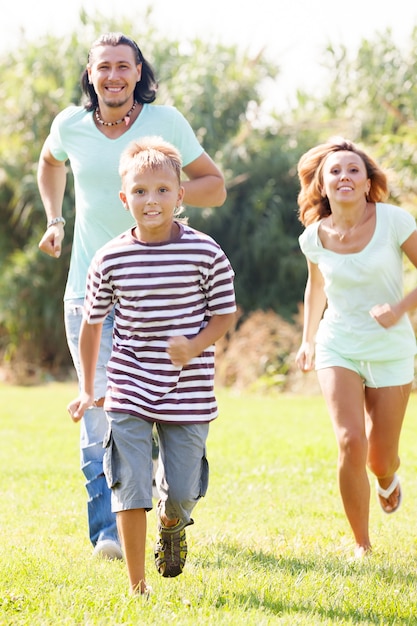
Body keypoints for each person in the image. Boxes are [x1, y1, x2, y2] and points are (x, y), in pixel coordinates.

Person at [37, 32, 227, 560]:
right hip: (90, 292)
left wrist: (164, 203)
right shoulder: (68, 126)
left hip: (160, 295)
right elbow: (50, 163)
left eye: (125, 65)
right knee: (98, 412)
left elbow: (214, 184)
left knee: (167, 414)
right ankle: (109, 534)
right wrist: (56, 219)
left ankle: (169, 509)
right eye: (104, 67)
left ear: (139, 71)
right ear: (91, 73)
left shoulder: (165, 123)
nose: (114, 75)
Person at [67, 136, 236, 595]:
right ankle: (138, 587)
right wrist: (88, 387)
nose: (151, 200)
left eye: (162, 190)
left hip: (189, 389)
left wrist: (195, 344)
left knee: (181, 492)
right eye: (140, 191)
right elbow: (93, 324)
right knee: (128, 482)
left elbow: (225, 314)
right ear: (125, 199)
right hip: (128, 385)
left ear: (181, 195)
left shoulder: (206, 252)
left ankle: (172, 523)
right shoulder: (110, 257)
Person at [295, 137, 417, 559]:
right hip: (338, 344)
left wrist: (399, 308)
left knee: (380, 458)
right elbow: (316, 287)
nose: (344, 176)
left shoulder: (395, 221)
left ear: (367, 183)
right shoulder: (313, 237)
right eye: (335, 171)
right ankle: (362, 545)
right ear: (323, 186)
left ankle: (388, 478)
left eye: (353, 170)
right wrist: (308, 340)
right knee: (350, 442)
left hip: (390, 348)